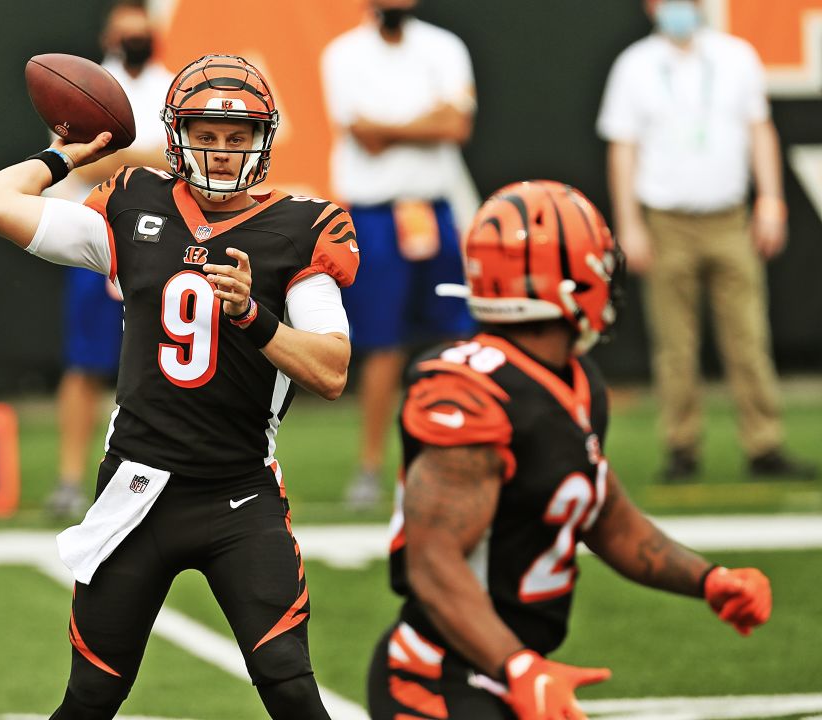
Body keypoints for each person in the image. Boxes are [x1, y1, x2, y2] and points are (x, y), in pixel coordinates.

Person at [0, 55, 358, 719]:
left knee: (287, 680)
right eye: (206, 134)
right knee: (92, 695)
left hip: (240, 495)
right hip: (138, 491)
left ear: (264, 142)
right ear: (177, 135)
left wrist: (254, 317)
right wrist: (64, 154)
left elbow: (331, 369)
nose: (221, 151)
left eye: (238, 138)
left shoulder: (300, 229)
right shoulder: (133, 204)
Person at [367, 180, 772, 719]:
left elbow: (606, 517)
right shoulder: (470, 391)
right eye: (597, 262)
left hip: (507, 673)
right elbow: (433, 562)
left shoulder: (575, 381)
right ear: (565, 282)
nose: (607, 276)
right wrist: (519, 668)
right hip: (438, 681)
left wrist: (708, 579)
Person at [599, 0, 817, 482]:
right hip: (667, 220)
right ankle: (681, 446)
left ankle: (765, 444)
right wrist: (629, 223)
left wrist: (772, 200)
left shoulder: (736, 56)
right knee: (674, 343)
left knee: (748, 336)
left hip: (727, 215)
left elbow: (759, 129)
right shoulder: (634, 65)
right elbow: (623, 147)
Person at [320, 0, 477, 510]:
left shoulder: (444, 46)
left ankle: (465, 453)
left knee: (455, 336)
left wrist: (393, 127)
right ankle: (370, 468)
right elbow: (364, 136)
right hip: (375, 215)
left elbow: (456, 127)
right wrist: (426, 120)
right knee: (382, 344)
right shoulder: (343, 54)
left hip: (433, 209)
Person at [44, 0, 173, 519]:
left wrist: (118, 157)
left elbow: (183, 161)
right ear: (109, 37)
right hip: (100, 237)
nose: (133, 41)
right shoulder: (84, 87)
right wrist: (146, 157)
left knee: (165, 364)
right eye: (125, 33)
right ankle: (71, 477)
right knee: (87, 363)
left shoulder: (174, 85)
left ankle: (159, 475)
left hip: (166, 240)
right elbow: (69, 165)